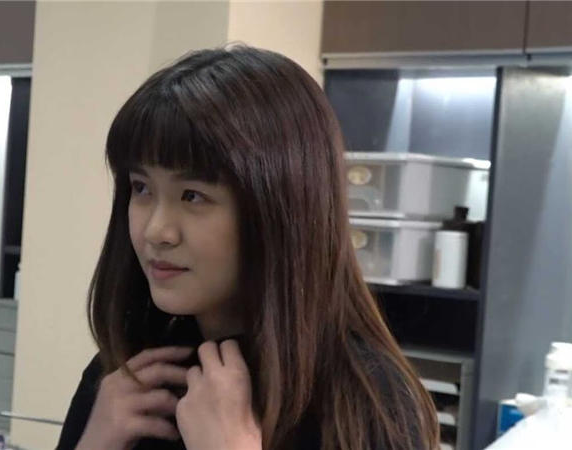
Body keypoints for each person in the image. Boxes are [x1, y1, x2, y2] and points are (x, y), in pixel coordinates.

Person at [56, 45, 439, 450]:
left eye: (192, 195)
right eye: (141, 188)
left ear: (278, 209)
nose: (156, 231)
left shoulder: (367, 404)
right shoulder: (130, 378)